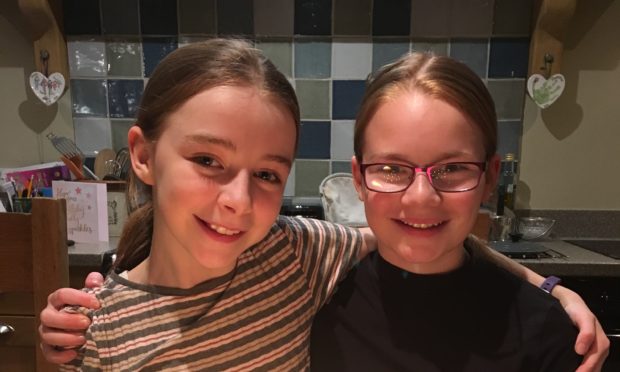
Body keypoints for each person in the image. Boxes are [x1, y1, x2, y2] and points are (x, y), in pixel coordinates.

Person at [39, 40, 608, 370]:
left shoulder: (291, 255)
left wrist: (549, 287)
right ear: (141, 155)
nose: (236, 201)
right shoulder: (100, 327)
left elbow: (427, 234)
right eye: (207, 161)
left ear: (487, 177)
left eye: (266, 174)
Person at [310, 52, 609, 371]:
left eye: (452, 168)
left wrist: (552, 291)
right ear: (358, 178)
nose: (420, 198)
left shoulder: (546, 331)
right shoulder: (315, 305)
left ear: (490, 177)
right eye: (391, 168)